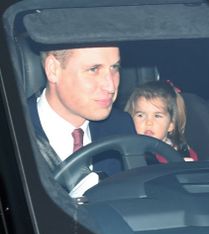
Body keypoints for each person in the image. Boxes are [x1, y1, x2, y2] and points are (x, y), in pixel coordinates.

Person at [28, 45, 136, 177]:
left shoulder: (121, 126)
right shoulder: (13, 131)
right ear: (53, 69)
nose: (111, 87)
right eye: (93, 69)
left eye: (114, 67)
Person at [125, 80, 198, 162]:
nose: (148, 122)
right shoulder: (126, 150)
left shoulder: (179, 152)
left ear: (171, 124)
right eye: (140, 115)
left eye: (157, 116)